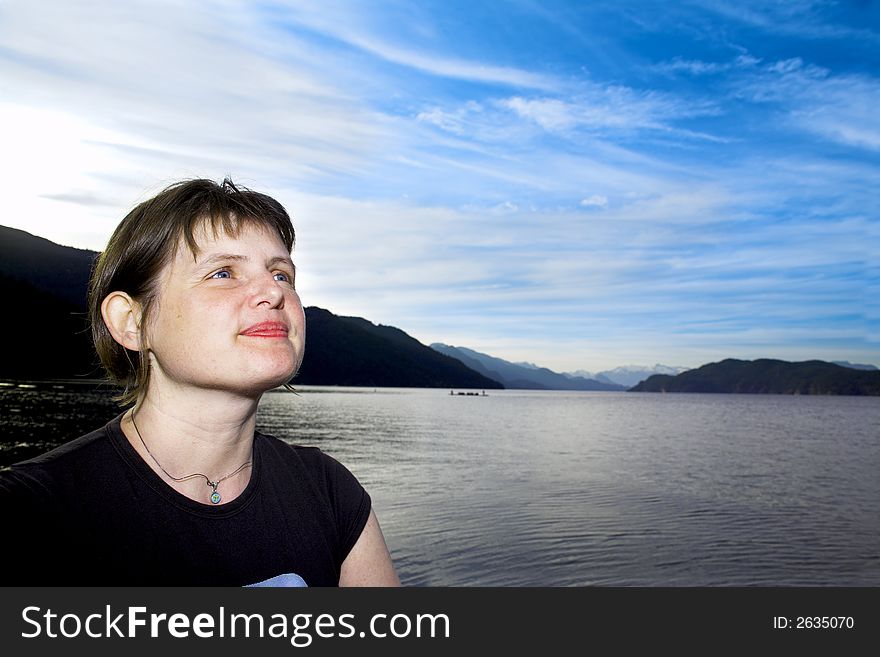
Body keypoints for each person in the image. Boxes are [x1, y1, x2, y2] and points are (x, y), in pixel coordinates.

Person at [0, 178, 399, 586]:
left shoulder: (330, 492)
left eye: (282, 275)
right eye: (224, 273)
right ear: (131, 322)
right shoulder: (31, 513)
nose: (272, 293)